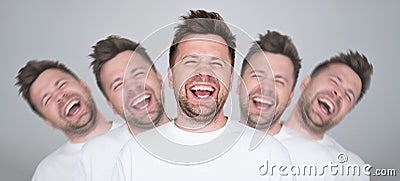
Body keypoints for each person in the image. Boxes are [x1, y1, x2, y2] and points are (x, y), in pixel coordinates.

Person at [111, 9, 293, 181]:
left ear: (230, 81)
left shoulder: (270, 154)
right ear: (171, 78)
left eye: (217, 63)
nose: (204, 72)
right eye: (190, 62)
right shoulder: (134, 155)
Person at [73, 35, 170, 181]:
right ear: (111, 106)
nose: (132, 87)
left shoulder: (199, 138)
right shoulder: (94, 155)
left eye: (138, 73)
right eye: (118, 85)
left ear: (159, 78)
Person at [15, 60, 122, 181]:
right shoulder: (48, 173)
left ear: (84, 86)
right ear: (50, 123)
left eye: (61, 85)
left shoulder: (141, 135)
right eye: (48, 99)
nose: (59, 96)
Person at [275, 50, 373, 180]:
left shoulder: (352, 169)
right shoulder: (254, 139)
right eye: (334, 81)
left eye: (348, 96)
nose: (339, 93)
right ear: (306, 83)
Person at [238, 30, 301, 135]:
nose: (266, 87)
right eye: (258, 76)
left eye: (279, 81)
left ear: (290, 98)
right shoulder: (213, 143)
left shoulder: (303, 151)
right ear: (239, 84)